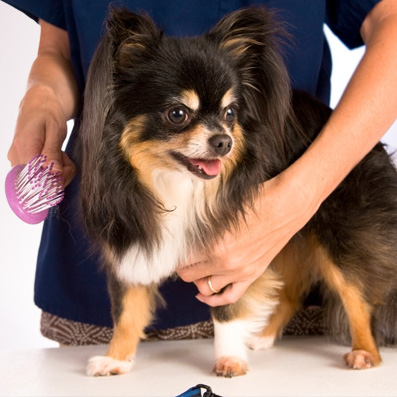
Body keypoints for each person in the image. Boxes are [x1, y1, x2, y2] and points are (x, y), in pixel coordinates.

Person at [3, 0, 397, 345]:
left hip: (281, 293)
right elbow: (58, 47)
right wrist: (43, 99)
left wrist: (298, 198)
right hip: (107, 293)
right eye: (179, 114)